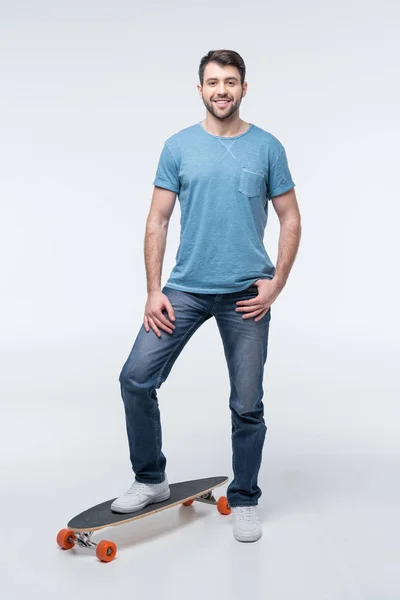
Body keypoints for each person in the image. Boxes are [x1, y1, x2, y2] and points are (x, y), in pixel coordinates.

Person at [111, 49, 301, 543]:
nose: (222, 90)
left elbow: (290, 217)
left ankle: (244, 499)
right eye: (213, 82)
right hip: (185, 290)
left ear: (243, 88)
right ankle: (151, 479)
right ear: (200, 89)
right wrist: (154, 290)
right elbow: (157, 219)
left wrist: (276, 283)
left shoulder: (267, 147)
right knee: (135, 378)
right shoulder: (178, 146)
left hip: (246, 295)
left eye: (231, 81)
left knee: (246, 404)